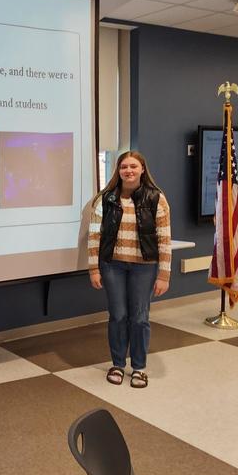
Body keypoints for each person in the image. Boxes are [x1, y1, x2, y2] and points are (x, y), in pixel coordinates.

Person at [87, 151, 171, 389]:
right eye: (124, 167)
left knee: (140, 317)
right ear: (118, 170)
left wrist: (164, 274)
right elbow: (94, 236)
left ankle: (139, 368)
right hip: (112, 266)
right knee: (118, 316)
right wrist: (94, 269)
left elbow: (164, 239)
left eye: (134, 166)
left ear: (143, 169)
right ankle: (117, 364)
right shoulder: (105, 199)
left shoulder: (157, 198)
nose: (129, 171)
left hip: (144, 268)